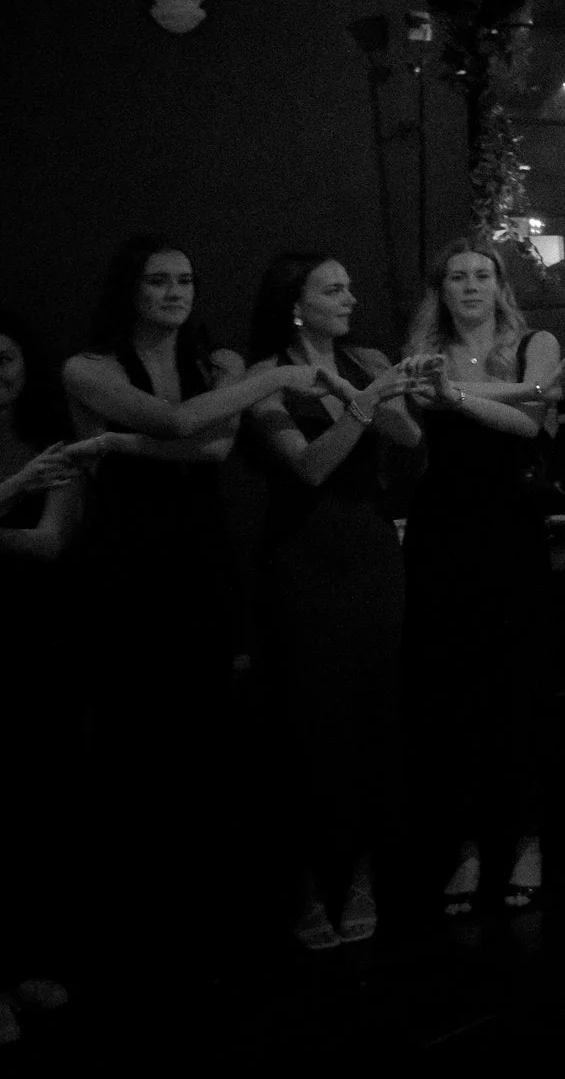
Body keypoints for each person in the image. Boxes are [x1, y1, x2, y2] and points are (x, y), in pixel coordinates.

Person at [62, 237, 330, 939]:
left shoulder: (220, 363)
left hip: (200, 551)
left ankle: (205, 905)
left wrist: (119, 444)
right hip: (125, 556)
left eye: (185, 280)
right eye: (159, 281)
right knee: (130, 729)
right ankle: (134, 912)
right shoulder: (87, 368)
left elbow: (213, 448)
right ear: (131, 289)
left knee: (207, 721)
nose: (175, 292)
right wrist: (273, 381)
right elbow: (183, 423)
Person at [241, 254, 422, 949]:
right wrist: (366, 401)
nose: (351, 296)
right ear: (296, 304)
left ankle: (364, 877)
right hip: (303, 554)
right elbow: (309, 464)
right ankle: (309, 883)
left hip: (371, 548)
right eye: (334, 288)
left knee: (375, 716)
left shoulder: (367, 354)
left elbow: (410, 441)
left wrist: (388, 389)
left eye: (351, 284)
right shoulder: (266, 374)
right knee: (309, 721)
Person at [398, 236, 564, 917]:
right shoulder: (422, 354)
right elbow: (414, 426)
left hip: (512, 530)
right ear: (439, 289)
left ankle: (527, 840)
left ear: (501, 285)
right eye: (457, 275)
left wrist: (455, 395)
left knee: (518, 688)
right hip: (442, 533)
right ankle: (464, 844)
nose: (470, 285)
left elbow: (534, 419)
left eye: (481, 274)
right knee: (451, 691)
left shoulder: (536, 341)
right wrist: (492, 393)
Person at [0, 311, 103, 1042]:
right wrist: (14, 489)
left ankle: (22, 965)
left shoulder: (49, 446)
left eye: (3, 356)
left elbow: (50, 542)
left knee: (28, 809)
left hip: (29, 643)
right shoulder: (32, 465)